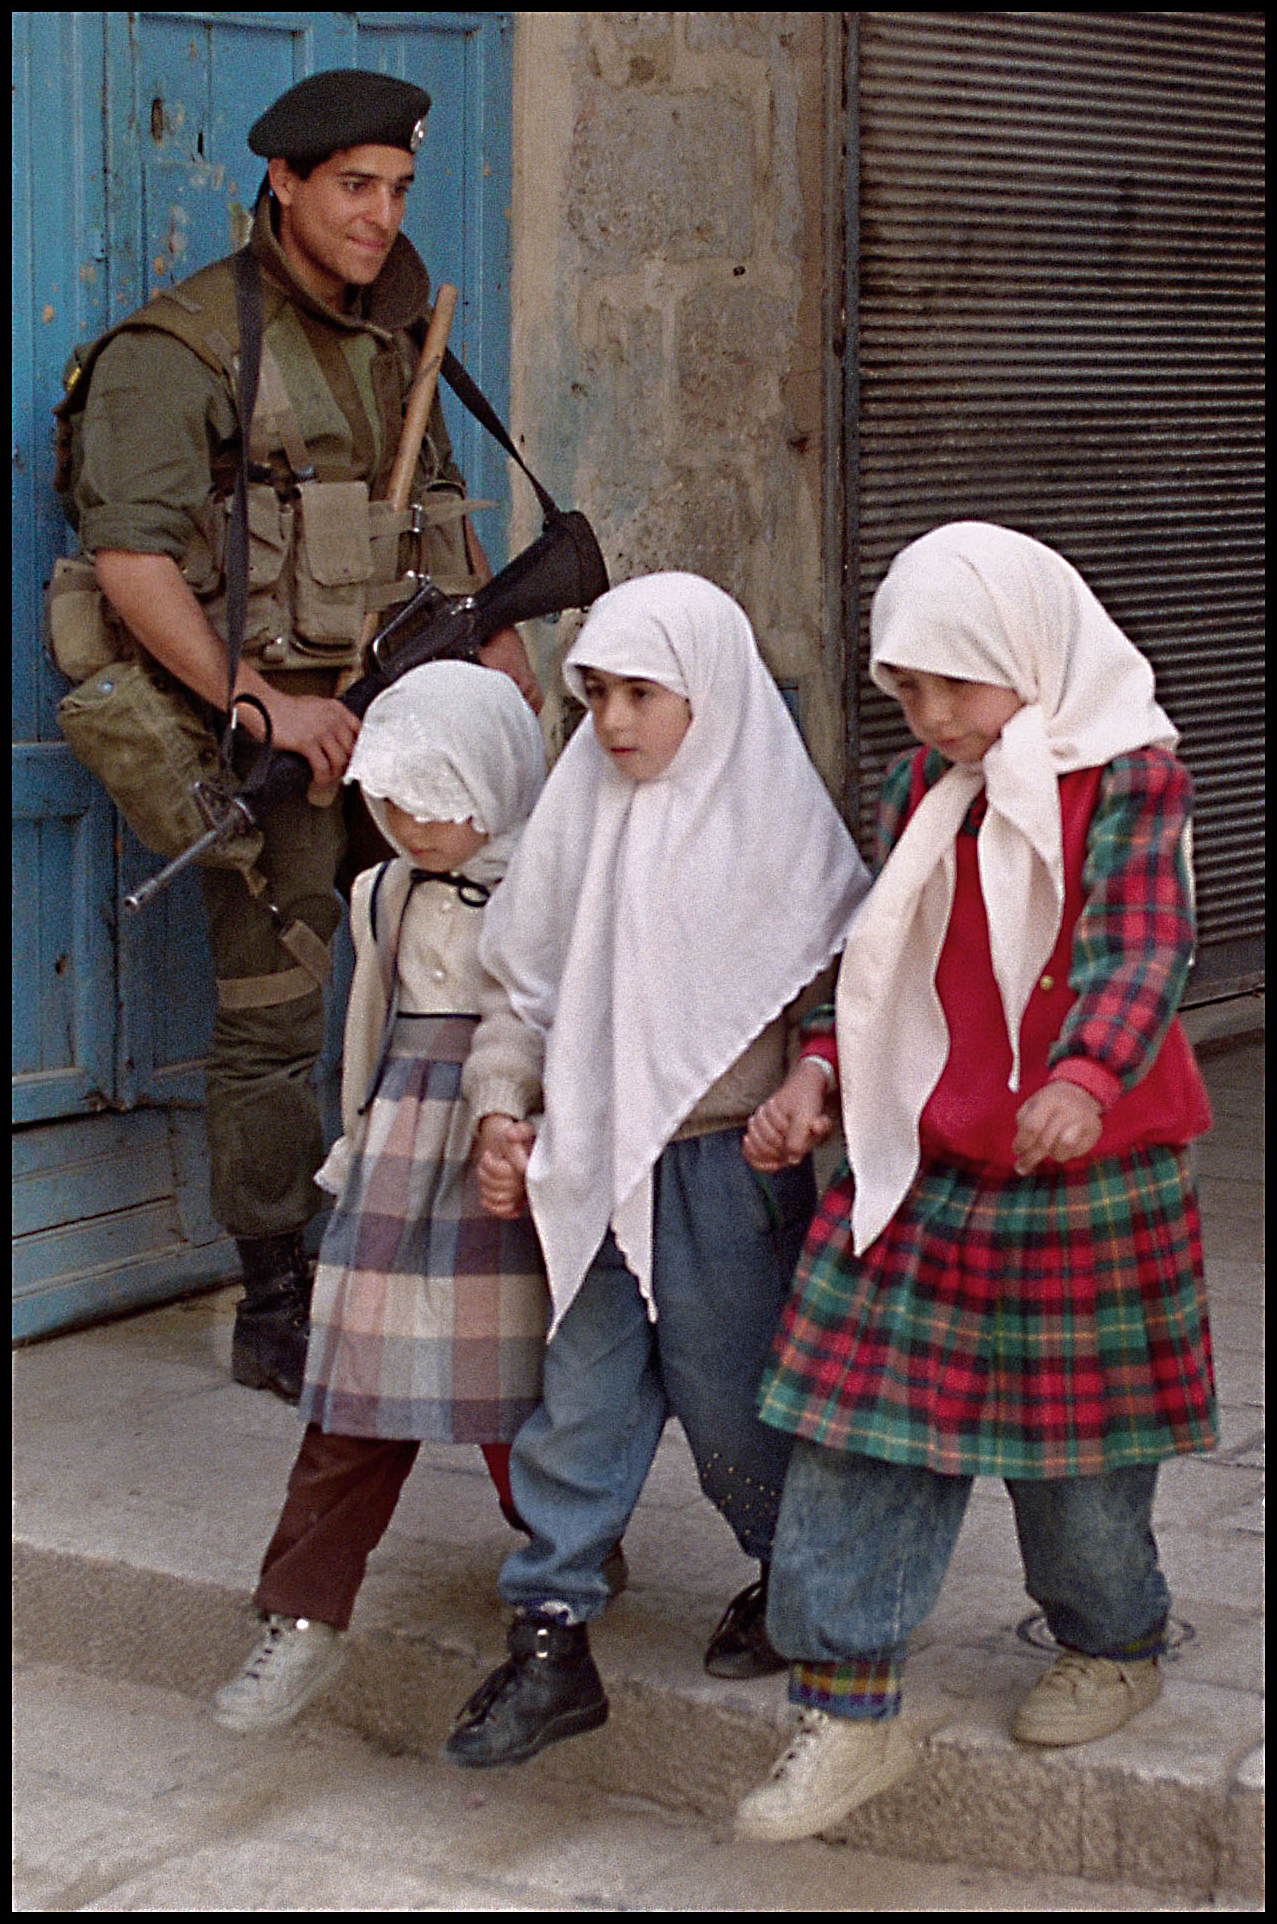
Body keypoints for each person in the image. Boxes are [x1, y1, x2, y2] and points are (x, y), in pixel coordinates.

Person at [733, 521, 1217, 1843]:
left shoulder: (1130, 780)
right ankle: (846, 1712)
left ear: (1035, 657)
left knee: (1080, 1477)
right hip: (927, 1165)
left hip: (1087, 1176)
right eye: (908, 686)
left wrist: (1083, 1077)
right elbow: (879, 965)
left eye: (960, 682)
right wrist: (819, 1075)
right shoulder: (915, 793)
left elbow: (1141, 946)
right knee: (856, 1440)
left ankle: (1113, 1639)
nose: (933, 715)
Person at [62, 69, 540, 1404]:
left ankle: (418, 1229)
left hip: (404, 709)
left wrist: (496, 637)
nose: (381, 216)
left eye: (397, 188)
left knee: (442, 968)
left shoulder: (399, 329)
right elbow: (130, 561)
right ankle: (276, 1293)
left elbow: (437, 501)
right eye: (352, 188)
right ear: (282, 183)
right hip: (269, 740)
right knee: (276, 1011)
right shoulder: (181, 352)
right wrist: (258, 702)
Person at [441, 572, 872, 1769]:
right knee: (578, 1400)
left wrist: (812, 1087)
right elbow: (517, 996)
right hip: (587, 1165)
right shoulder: (579, 821)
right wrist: (498, 1112)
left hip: (721, 1172)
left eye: (643, 692)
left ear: (711, 692)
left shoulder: (777, 827)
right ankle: (548, 1633)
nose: (615, 722)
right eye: (594, 696)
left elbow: (848, 985)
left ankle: (795, 1582)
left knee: (738, 1401)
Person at [211, 659, 551, 1732]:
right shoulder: (381, 890)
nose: (407, 822)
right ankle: (302, 1615)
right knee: (353, 1381)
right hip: (400, 1159)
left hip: (504, 1168)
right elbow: (367, 1032)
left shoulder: (548, 890)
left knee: (516, 1385)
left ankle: (563, 1558)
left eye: (433, 799)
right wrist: (355, 1148)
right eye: (390, 798)